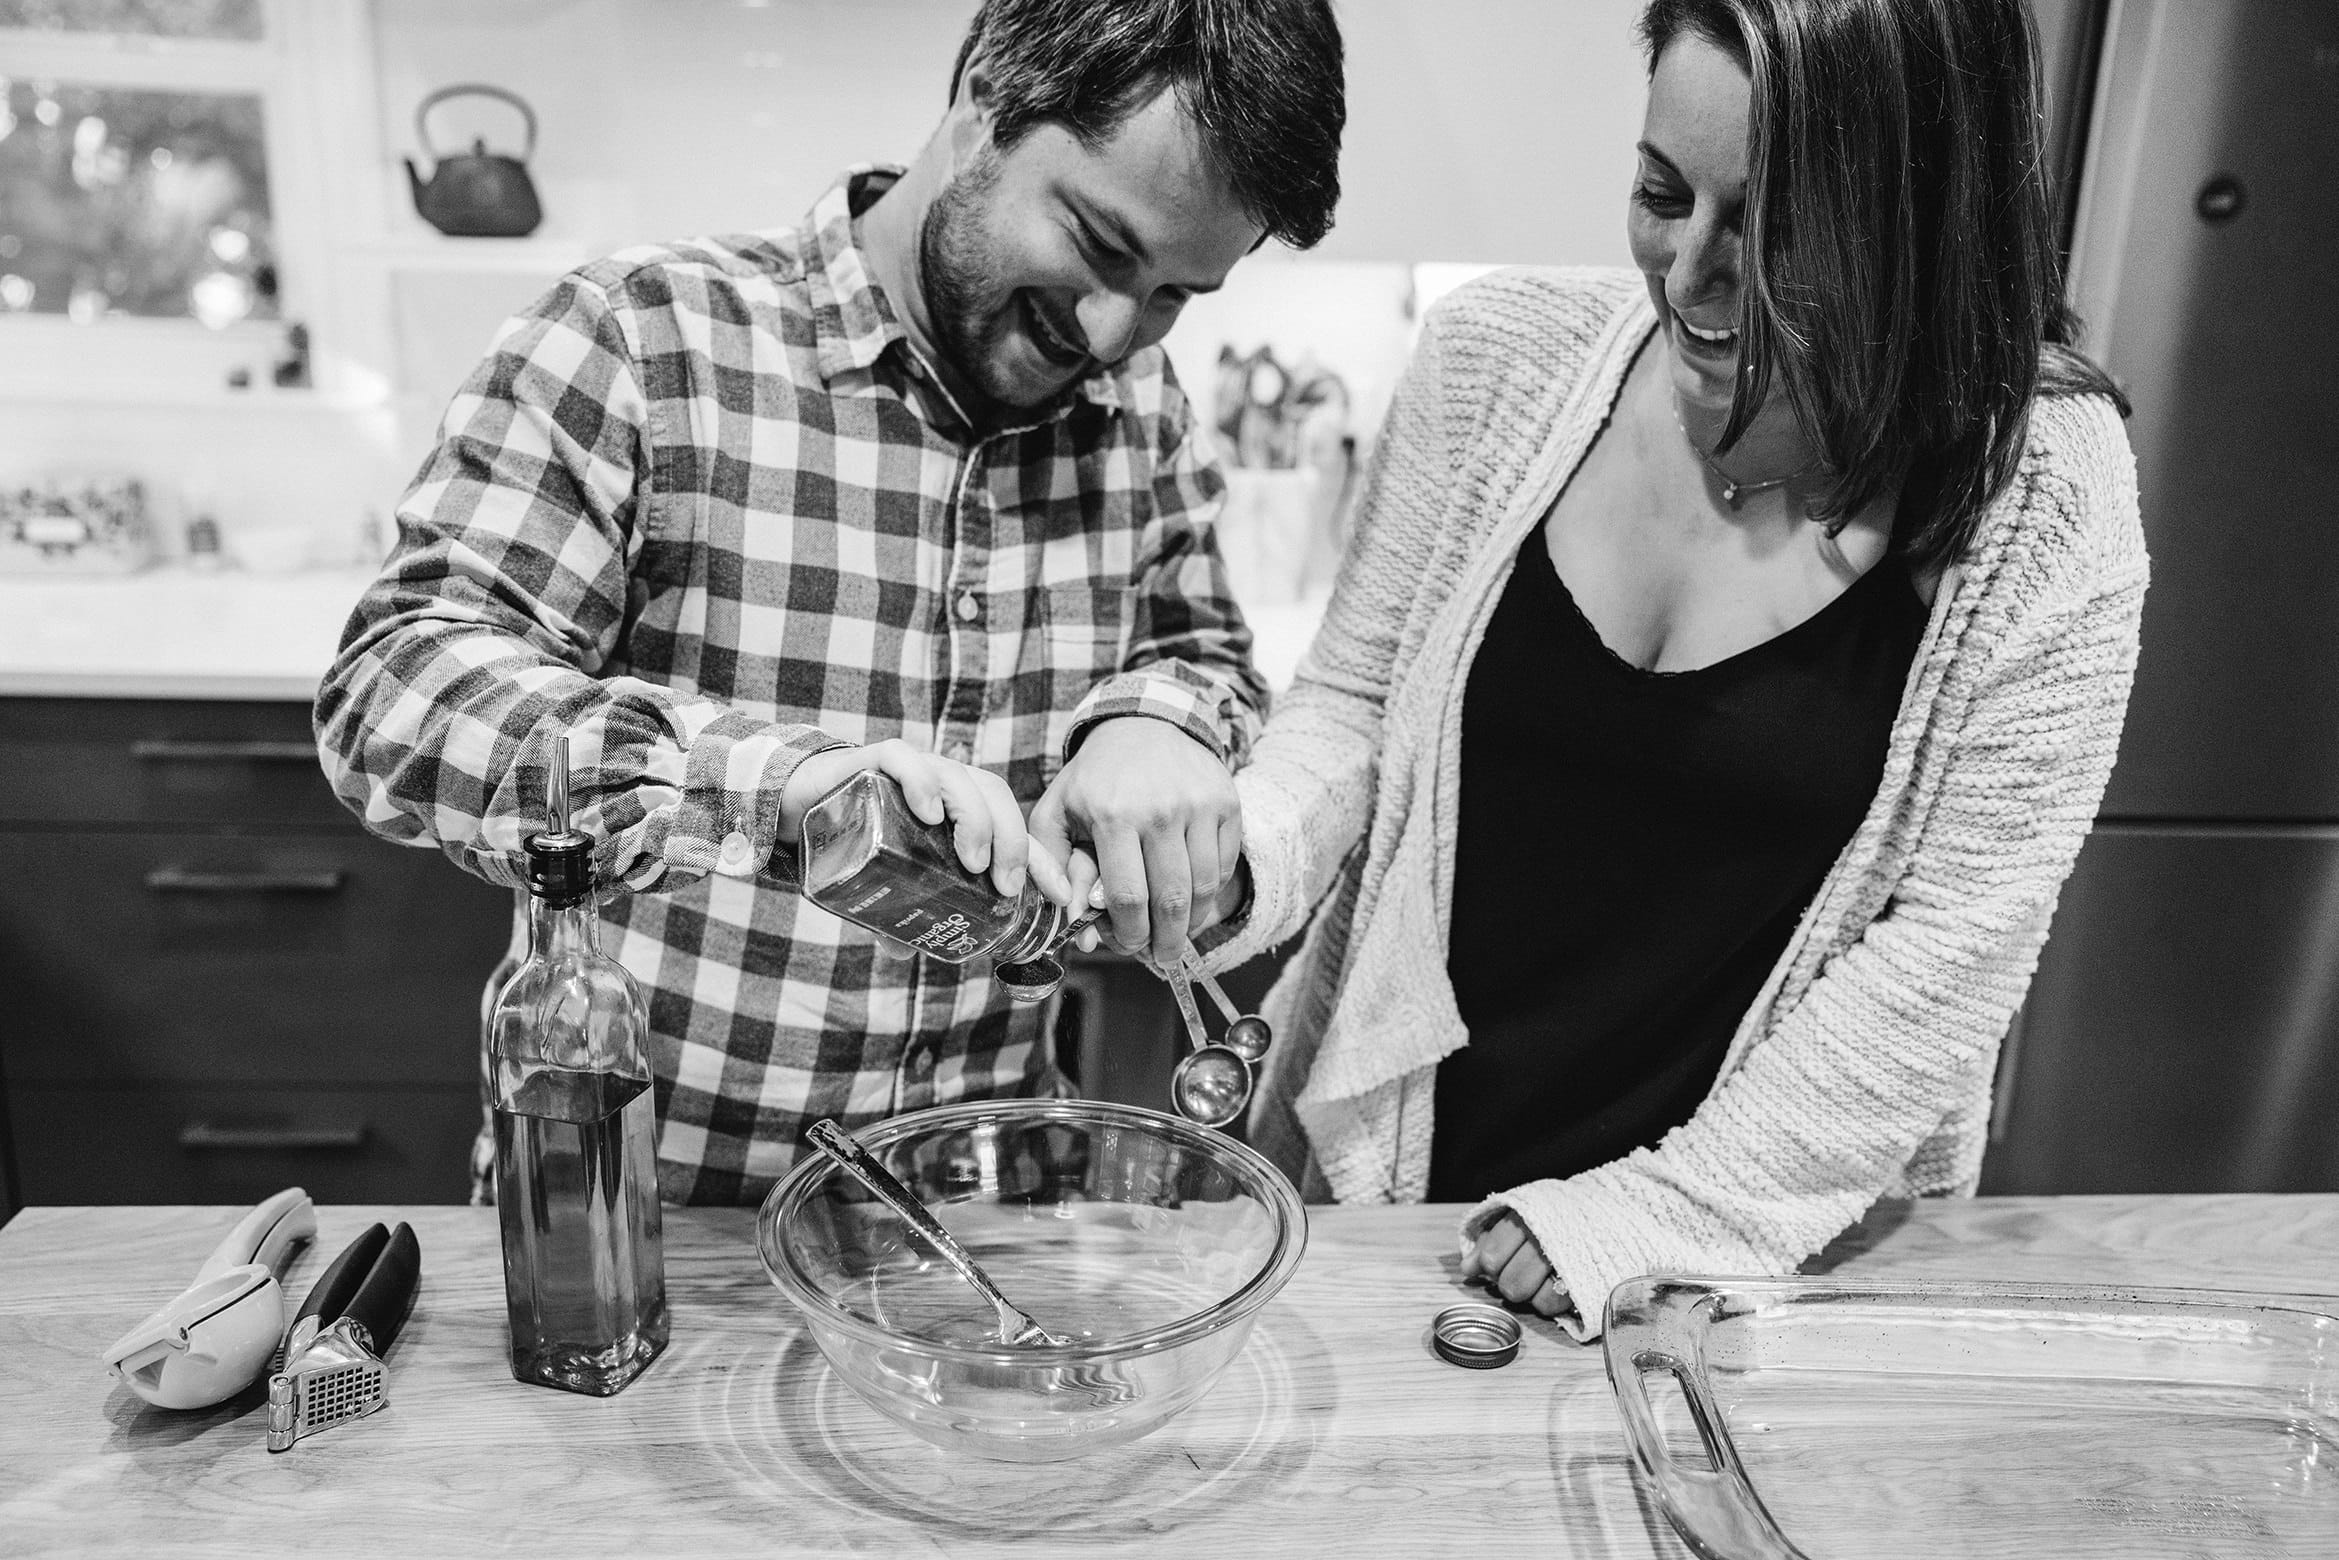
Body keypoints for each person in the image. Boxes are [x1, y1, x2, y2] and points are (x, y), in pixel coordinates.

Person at [1194, 0, 2145, 1337]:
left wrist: (1653, 1215)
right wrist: (1230, 851)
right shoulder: (1494, 356)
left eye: (1766, 224)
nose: (1686, 270)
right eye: (1657, 192)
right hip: (1398, 1218)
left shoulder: (2039, 487)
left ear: (1918, 217)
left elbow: (1953, 947)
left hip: (1739, 1273)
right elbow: (1350, 710)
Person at [314, 0, 1345, 1203]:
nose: (1115, 333)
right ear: (979, 107)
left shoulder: (1139, 413)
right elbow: (395, 693)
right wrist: (783, 792)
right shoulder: (647, 338)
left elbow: (1203, 650)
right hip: (651, 1222)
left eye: (1176, 293)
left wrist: (1156, 716)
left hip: (987, 1231)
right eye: (1102, 249)